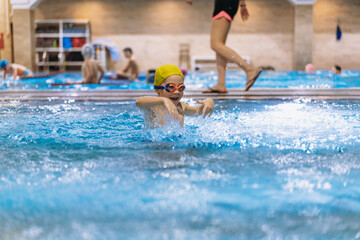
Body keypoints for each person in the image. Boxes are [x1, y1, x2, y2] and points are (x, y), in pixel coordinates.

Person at [186, 0, 262, 93]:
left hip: (224, 4)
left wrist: (242, 4)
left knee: (215, 44)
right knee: (219, 44)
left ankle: (249, 69)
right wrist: (242, 4)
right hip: (227, 4)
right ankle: (221, 84)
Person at [136, 64, 214, 128]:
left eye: (181, 87)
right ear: (158, 90)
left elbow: (198, 111)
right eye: (171, 87)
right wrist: (164, 100)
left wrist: (209, 101)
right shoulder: (154, 106)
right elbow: (139, 101)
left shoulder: (181, 107)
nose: (177, 92)